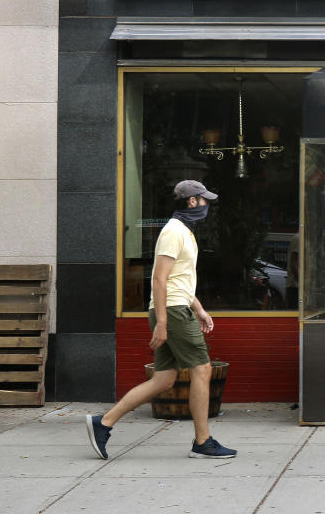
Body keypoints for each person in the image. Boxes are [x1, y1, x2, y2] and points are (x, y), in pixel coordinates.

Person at [86, 180, 236, 460]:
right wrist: (164, 323)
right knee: (202, 369)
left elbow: (179, 280)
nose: (207, 206)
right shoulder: (173, 232)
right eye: (204, 200)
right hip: (173, 311)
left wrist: (200, 309)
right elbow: (159, 278)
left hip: (177, 306)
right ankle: (203, 442)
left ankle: (103, 423)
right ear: (192, 202)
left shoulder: (184, 232)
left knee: (164, 378)